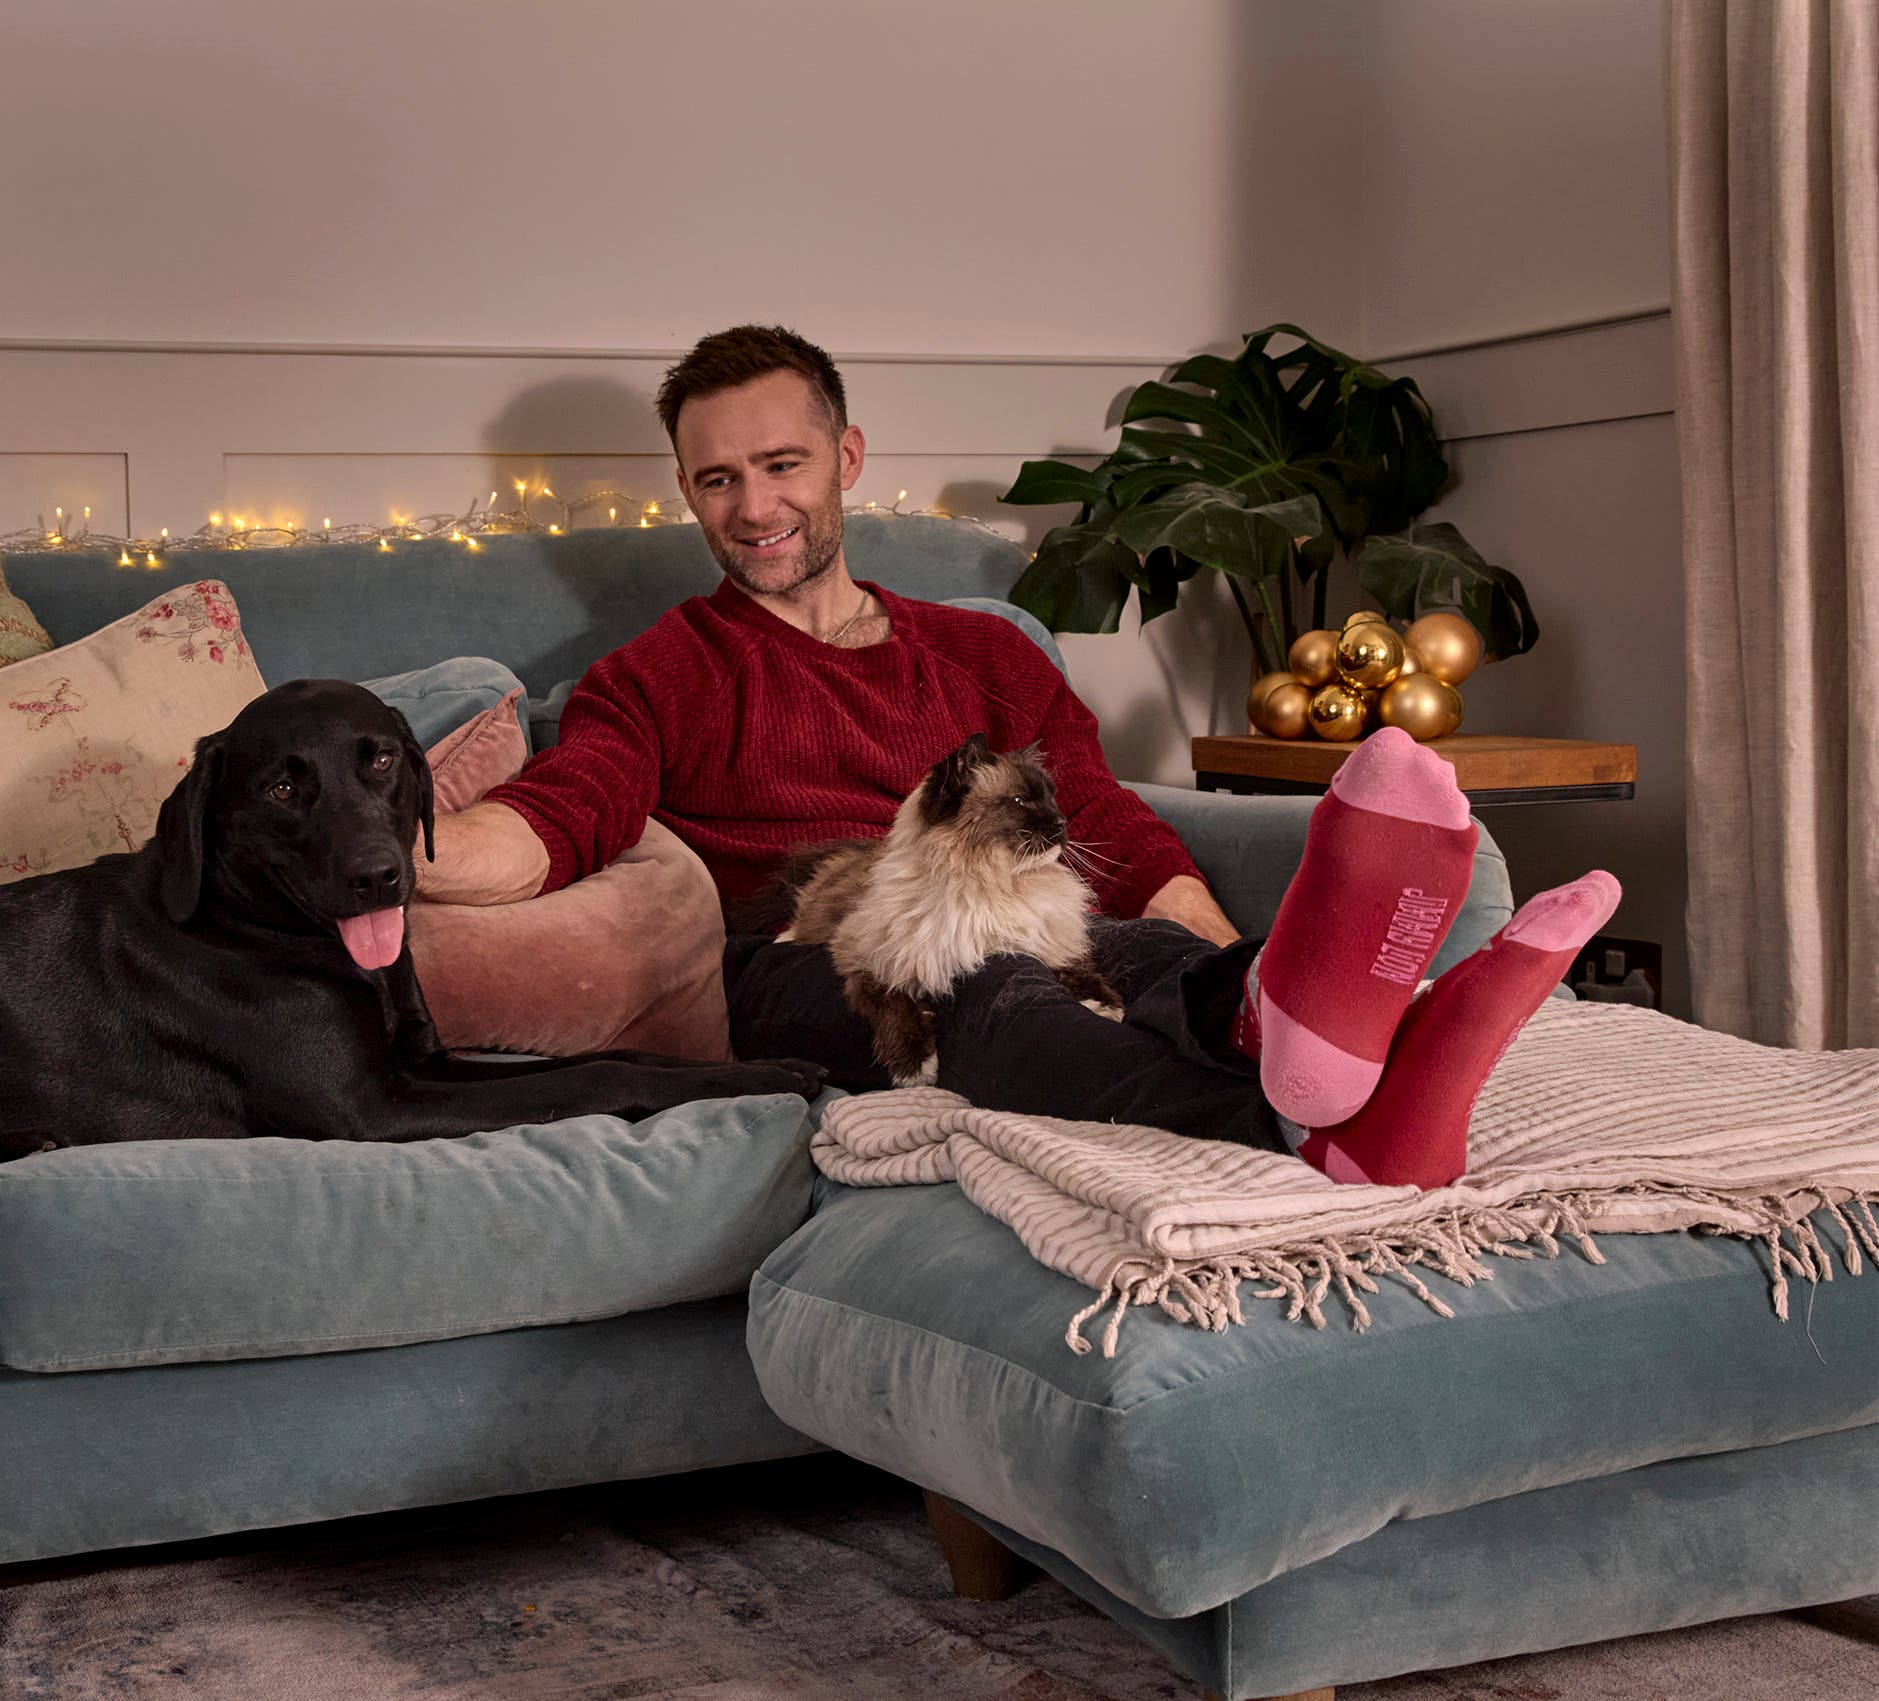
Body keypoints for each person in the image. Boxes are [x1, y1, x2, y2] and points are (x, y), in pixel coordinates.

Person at [420, 325, 1614, 1185]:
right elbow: (570, 807)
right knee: (980, 988)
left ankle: (1297, 1034)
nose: (752, 505)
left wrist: (1237, 964)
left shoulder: (980, 654)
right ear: (688, 492)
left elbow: (1102, 814)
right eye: (717, 479)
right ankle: (1309, 1136)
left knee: (1129, 945)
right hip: (804, 961)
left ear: (844, 461)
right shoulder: (660, 671)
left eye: (779, 464)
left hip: (1011, 905)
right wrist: (394, 851)